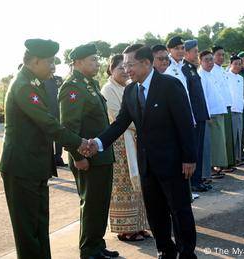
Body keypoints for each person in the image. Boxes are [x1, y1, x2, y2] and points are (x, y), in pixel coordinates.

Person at [88, 45, 197, 259]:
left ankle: (186, 253)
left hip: (173, 163)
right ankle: (165, 250)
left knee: (180, 210)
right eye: (125, 65)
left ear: (147, 63)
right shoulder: (131, 90)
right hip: (147, 164)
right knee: (156, 213)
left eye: (130, 64)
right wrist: (98, 143)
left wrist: (189, 158)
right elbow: (120, 124)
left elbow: (185, 124)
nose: (127, 69)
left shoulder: (169, 85)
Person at [0, 38, 88, 259]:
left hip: (33, 166)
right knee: (28, 231)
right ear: (35, 61)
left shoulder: (32, 83)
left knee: (39, 226)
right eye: (49, 62)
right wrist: (80, 143)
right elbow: (49, 123)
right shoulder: (23, 86)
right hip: (21, 167)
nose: (53, 67)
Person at [59, 43, 118, 259]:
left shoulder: (90, 84)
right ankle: (88, 250)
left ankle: (97, 244)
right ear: (78, 62)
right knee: (91, 203)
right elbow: (68, 127)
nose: (97, 63)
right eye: (92, 59)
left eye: (96, 59)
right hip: (87, 158)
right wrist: (77, 156)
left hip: (101, 156)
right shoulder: (73, 87)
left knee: (100, 203)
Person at [101, 54, 150, 242]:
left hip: (136, 140)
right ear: (111, 69)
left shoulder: (131, 88)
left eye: (127, 67)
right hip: (121, 144)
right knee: (124, 186)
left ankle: (139, 225)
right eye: (120, 68)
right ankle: (126, 229)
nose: (124, 71)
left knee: (139, 185)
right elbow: (117, 116)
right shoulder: (108, 90)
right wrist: (143, 124)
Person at [182, 39, 211, 192]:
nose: (197, 53)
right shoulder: (184, 69)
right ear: (186, 52)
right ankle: (194, 181)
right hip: (194, 116)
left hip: (200, 115)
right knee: (195, 149)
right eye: (194, 51)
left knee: (199, 149)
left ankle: (198, 180)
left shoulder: (192, 68)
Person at [198, 50, 228, 180]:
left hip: (218, 112)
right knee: (212, 144)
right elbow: (203, 97)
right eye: (206, 60)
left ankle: (215, 166)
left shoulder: (210, 74)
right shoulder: (201, 75)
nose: (210, 62)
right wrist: (207, 114)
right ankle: (210, 168)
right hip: (211, 114)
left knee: (218, 142)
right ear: (200, 61)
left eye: (211, 59)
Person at [211, 46, 235, 172]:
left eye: (222, 55)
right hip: (219, 107)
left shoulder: (222, 70)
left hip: (227, 105)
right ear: (213, 55)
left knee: (228, 137)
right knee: (221, 139)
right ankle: (221, 164)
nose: (221, 57)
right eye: (218, 55)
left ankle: (230, 162)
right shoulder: (211, 70)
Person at [43, 65, 66, 166]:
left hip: (58, 110)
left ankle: (58, 157)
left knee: (59, 134)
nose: (53, 68)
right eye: (50, 66)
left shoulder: (58, 79)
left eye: (54, 66)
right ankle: (50, 158)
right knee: (49, 135)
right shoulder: (43, 80)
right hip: (48, 111)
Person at [226, 55, 244, 165]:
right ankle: (231, 159)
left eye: (239, 64)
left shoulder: (240, 78)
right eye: (236, 64)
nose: (238, 66)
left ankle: (238, 158)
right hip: (231, 109)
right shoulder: (226, 75)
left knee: (239, 135)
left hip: (239, 109)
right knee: (232, 136)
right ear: (230, 64)